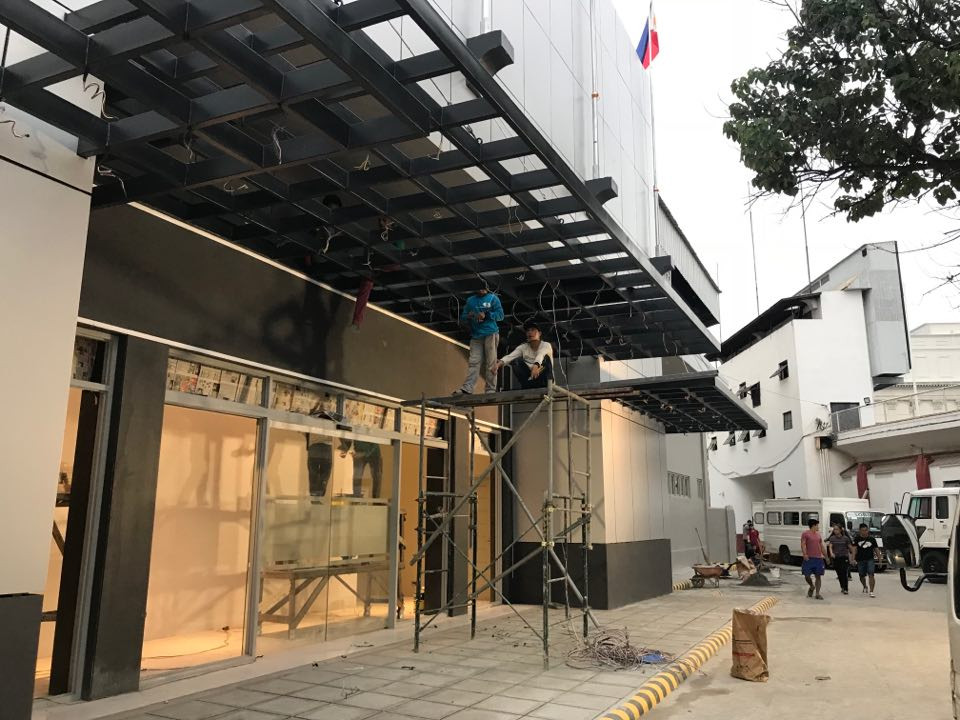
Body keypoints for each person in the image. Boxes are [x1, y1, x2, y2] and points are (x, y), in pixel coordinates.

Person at [454, 285, 504, 394]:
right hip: (476, 335)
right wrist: (470, 316)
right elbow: (463, 317)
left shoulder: (493, 298)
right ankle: (468, 388)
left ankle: (490, 389)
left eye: (484, 286)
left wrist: (487, 315)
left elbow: (501, 315)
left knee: (491, 362)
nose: (482, 289)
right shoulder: (470, 300)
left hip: (491, 333)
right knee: (474, 361)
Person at [494, 322, 554, 389]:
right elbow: (510, 356)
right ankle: (526, 385)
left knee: (546, 358)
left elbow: (541, 354)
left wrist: (536, 365)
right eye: (528, 331)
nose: (530, 332)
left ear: (539, 333)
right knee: (516, 361)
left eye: (533, 330)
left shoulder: (546, 345)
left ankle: (547, 385)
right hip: (530, 378)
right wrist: (498, 364)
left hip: (543, 379)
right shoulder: (523, 347)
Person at [801, 518, 827, 600]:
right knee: (807, 576)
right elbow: (803, 544)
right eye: (817, 525)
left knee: (818, 576)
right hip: (809, 558)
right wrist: (805, 554)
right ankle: (812, 586)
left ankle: (817, 594)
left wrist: (826, 556)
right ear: (813, 525)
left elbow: (821, 546)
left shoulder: (818, 535)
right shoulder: (805, 534)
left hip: (818, 558)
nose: (818, 527)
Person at [826, 523, 854, 595]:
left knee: (844, 573)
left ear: (841, 530)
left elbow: (850, 547)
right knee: (839, 573)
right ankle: (842, 587)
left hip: (844, 557)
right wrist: (831, 553)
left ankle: (846, 589)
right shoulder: (832, 538)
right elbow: (830, 546)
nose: (835, 531)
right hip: (836, 558)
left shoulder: (845, 538)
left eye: (837, 529)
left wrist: (853, 557)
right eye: (834, 529)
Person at [854, 523, 879, 597]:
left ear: (868, 530)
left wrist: (879, 559)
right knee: (861, 575)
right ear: (860, 531)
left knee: (871, 574)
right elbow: (854, 549)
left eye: (866, 530)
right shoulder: (857, 539)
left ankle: (871, 591)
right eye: (863, 530)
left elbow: (876, 549)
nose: (864, 532)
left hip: (870, 559)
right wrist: (853, 559)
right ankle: (865, 586)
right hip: (860, 559)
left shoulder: (872, 539)